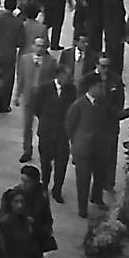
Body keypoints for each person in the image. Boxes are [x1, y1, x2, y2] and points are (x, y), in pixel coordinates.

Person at [32, 64, 75, 204]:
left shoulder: (72, 90)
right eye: (67, 76)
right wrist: (45, 121)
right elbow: (37, 108)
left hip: (62, 134)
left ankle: (57, 190)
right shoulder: (44, 88)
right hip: (47, 132)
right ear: (59, 75)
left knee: (61, 163)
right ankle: (44, 186)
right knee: (45, 162)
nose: (70, 78)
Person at [65, 73, 105, 218]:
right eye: (100, 87)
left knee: (100, 175)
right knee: (83, 180)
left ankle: (97, 197)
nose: (102, 89)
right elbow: (69, 126)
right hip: (83, 149)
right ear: (92, 87)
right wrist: (75, 143)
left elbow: (112, 117)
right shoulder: (79, 105)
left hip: (98, 148)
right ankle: (82, 208)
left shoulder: (102, 103)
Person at [15, 37, 57, 163]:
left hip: (44, 99)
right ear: (33, 46)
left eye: (42, 46)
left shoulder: (51, 62)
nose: (39, 48)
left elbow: (53, 81)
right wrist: (17, 95)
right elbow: (21, 77)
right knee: (27, 126)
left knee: (45, 127)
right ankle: (27, 151)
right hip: (29, 96)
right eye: (37, 45)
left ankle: (47, 151)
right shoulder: (25, 59)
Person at [0, 188, 43, 258]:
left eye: (22, 201)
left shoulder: (26, 220)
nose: (20, 205)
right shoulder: (5, 224)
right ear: (10, 203)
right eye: (16, 202)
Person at [0, 0, 23, 113]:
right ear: (14, 8)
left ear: (4, 5)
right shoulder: (18, 22)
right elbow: (20, 42)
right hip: (9, 55)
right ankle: (4, 105)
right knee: (7, 81)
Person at [96, 59, 125, 191]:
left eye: (108, 66)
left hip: (110, 123)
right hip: (94, 123)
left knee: (111, 153)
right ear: (97, 66)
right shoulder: (91, 79)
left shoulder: (116, 80)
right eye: (102, 66)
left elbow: (120, 100)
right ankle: (97, 181)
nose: (105, 69)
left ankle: (109, 182)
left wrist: (113, 114)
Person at [16, 165, 55, 257]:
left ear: (35, 182)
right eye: (22, 180)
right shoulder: (15, 194)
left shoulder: (41, 194)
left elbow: (46, 215)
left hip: (36, 238)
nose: (23, 184)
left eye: (27, 181)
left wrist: (46, 229)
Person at [102, 0, 128, 74]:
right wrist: (123, 34)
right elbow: (119, 18)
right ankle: (116, 78)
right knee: (117, 58)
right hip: (116, 33)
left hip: (108, 30)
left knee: (110, 54)